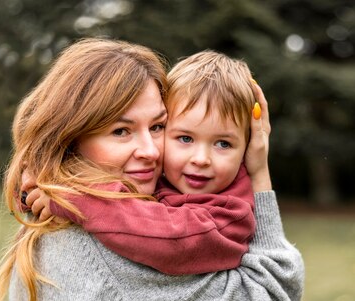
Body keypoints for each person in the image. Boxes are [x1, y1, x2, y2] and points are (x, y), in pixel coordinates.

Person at [0, 38, 304, 301]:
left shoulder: (55, 213)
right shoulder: (96, 244)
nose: (151, 150)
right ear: (71, 136)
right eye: (121, 131)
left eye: (157, 126)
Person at [24, 50, 262, 275]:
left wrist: (73, 199)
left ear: (248, 147)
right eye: (185, 138)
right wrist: (37, 184)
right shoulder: (166, 179)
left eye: (223, 144)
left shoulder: (232, 213)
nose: (200, 159)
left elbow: (171, 238)